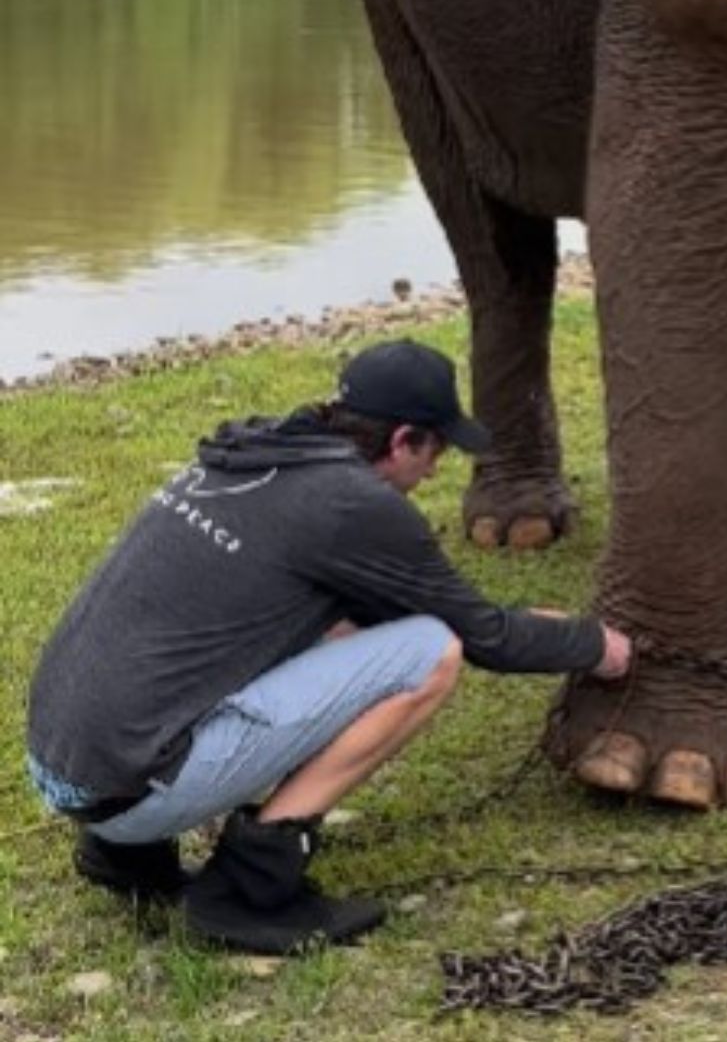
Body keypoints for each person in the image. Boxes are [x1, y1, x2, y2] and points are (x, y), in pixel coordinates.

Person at [25, 339, 632, 956]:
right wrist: (598, 645)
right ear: (402, 442)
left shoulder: (250, 456)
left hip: (66, 769)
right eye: (437, 451)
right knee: (429, 653)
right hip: (134, 788)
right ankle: (249, 885)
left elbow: (362, 616)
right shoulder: (353, 504)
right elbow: (487, 639)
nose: (436, 472)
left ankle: (125, 855)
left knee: (336, 628)